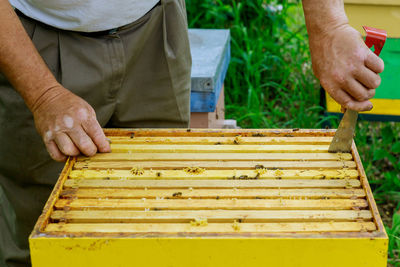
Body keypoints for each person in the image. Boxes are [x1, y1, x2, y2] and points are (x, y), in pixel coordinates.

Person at [0, 0, 384, 266]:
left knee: (163, 205)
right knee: (44, 230)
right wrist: (43, 94)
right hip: (34, 35)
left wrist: (329, 25)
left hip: (155, 22)